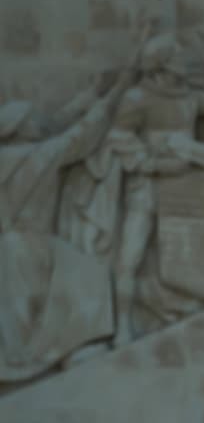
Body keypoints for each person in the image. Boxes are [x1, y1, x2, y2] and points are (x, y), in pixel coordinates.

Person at [110, 31, 204, 341]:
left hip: (189, 176)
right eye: (177, 57)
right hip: (150, 182)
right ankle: (122, 326)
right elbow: (119, 137)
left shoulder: (189, 96)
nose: (184, 61)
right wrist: (153, 163)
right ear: (162, 65)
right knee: (129, 253)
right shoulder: (137, 98)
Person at [0, 65, 136, 381]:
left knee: (19, 314)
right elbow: (82, 133)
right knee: (91, 276)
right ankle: (40, 359)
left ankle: (26, 358)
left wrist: (92, 93)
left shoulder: (16, 154)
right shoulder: (39, 156)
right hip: (31, 244)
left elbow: (58, 123)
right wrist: (117, 90)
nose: (38, 124)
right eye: (32, 121)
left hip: (7, 247)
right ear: (21, 129)